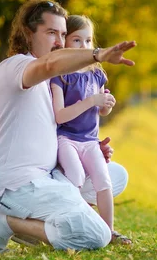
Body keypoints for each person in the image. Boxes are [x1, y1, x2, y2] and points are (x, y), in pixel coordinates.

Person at [0, 0, 136, 258]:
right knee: (98, 235)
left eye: (63, 34)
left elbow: (53, 129)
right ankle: (4, 223)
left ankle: (49, 222)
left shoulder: (51, 83)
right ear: (28, 33)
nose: (60, 42)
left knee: (116, 176)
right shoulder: (17, 67)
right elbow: (49, 63)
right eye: (51, 33)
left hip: (49, 176)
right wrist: (98, 54)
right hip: (19, 186)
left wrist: (86, 148)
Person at [50, 15, 131, 244]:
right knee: (74, 176)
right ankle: (75, 225)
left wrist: (105, 104)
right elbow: (60, 115)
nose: (83, 47)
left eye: (88, 41)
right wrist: (92, 101)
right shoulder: (60, 76)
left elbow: (100, 112)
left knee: (103, 181)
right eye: (76, 40)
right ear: (65, 44)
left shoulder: (97, 74)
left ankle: (108, 231)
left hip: (90, 141)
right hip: (67, 139)